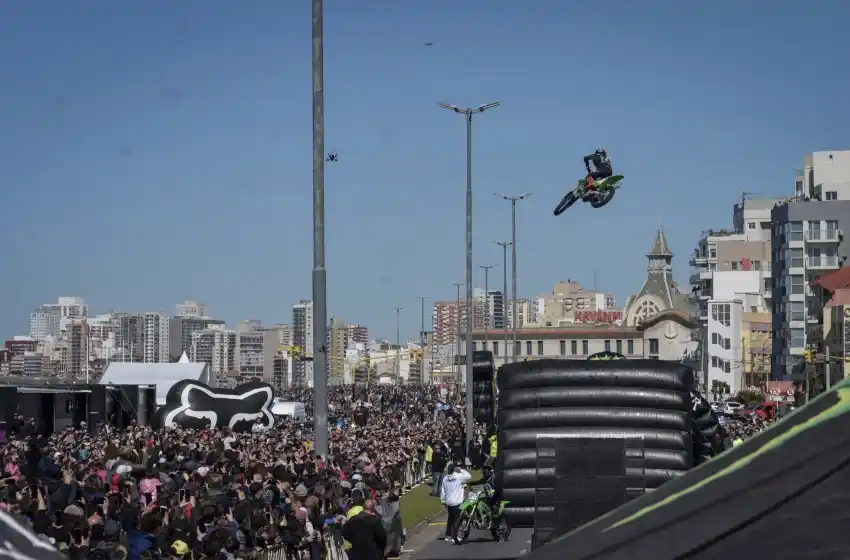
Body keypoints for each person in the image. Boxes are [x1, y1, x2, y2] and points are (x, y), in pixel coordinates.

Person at [439, 464, 471, 544]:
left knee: (450, 519)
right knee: (457, 520)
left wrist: (443, 501)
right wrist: (461, 470)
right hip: (457, 502)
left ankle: (448, 535)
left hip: (449, 502)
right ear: (454, 469)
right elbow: (469, 476)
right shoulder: (458, 476)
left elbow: (442, 491)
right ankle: (455, 536)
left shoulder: (445, 478)